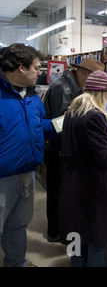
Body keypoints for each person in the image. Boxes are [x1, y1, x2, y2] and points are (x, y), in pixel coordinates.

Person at [59, 70, 107, 267]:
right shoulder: (94, 116)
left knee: (77, 240)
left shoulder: (73, 111)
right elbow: (105, 157)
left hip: (74, 186)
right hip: (93, 190)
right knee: (98, 242)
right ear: (102, 93)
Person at [0, 43, 58, 267]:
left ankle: (16, 263)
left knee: (18, 225)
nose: (40, 72)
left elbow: (40, 126)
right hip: (3, 177)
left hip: (28, 173)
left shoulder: (32, 96)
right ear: (20, 68)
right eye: (36, 68)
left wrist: (67, 121)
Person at [43, 57, 105, 243]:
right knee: (57, 191)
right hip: (57, 150)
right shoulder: (64, 88)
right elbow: (63, 124)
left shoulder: (71, 86)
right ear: (83, 73)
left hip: (61, 149)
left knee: (60, 190)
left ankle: (59, 229)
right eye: (93, 79)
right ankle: (55, 230)